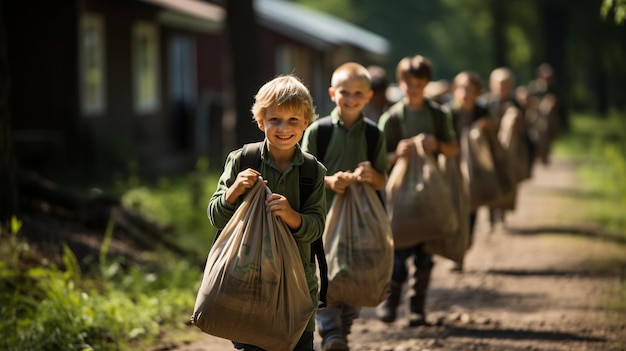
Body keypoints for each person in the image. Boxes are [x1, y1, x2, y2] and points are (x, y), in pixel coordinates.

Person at [207, 75, 327, 351]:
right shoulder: (242, 160)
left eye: (293, 120)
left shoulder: (313, 171)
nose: (284, 128)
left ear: (306, 123)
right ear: (261, 122)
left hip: (296, 286)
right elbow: (215, 216)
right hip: (247, 285)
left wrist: (291, 216)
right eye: (275, 120)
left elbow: (317, 227)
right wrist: (233, 192)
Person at [301, 62, 388, 351]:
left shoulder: (374, 134)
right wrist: (328, 181)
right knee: (324, 277)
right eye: (344, 92)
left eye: (357, 94)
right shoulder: (318, 131)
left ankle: (342, 330)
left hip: (361, 222)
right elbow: (303, 174)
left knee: (354, 277)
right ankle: (330, 331)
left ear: (368, 96)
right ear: (331, 93)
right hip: (322, 217)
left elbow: (381, 180)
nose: (350, 99)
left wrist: (369, 175)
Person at [377, 55, 458, 327]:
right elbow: (379, 159)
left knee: (425, 256)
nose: (414, 88)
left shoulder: (438, 115)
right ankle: (391, 303)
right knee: (397, 256)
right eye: (409, 83)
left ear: (426, 83)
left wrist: (436, 145)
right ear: (400, 84)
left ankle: (417, 309)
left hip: (429, 194)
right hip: (399, 196)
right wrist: (396, 153)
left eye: (419, 84)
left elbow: (453, 149)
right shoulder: (391, 118)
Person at [446, 70, 496, 271]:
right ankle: (454, 250)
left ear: (478, 92)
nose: (466, 93)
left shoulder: (482, 111)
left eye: (471, 89)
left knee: (471, 210)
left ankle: (462, 251)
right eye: (462, 88)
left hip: (474, 169)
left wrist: (486, 127)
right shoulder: (449, 112)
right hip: (452, 167)